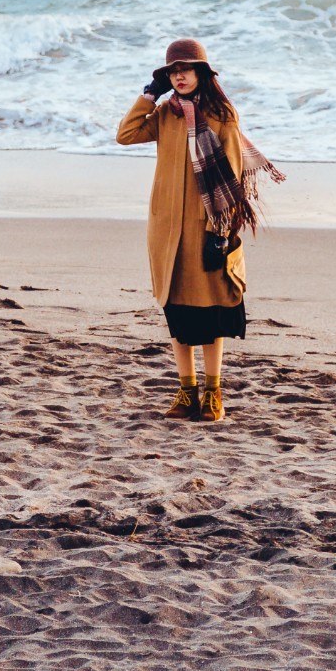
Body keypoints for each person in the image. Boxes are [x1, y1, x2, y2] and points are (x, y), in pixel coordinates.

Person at [116, 39, 282, 421]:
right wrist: (147, 97)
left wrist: (218, 231)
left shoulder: (222, 115)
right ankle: (186, 390)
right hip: (165, 229)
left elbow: (233, 176)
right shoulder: (164, 114)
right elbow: (125, 135)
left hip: (204, 230)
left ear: (201, 74)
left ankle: (213, 393)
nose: (179, 76)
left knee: (211, 315)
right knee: (178, 314)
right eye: (172, 71)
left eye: (186, 69)